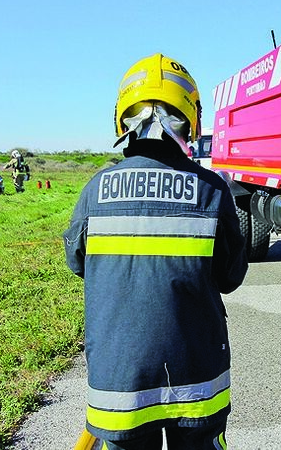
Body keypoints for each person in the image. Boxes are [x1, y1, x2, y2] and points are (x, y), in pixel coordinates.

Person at [63, 53, 248, 450]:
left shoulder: (95, 191)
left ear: (121, 117)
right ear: (191, 117)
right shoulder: (212, 191)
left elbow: (77, 263)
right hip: (196, 378)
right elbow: (231, 277)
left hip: (119, 382)